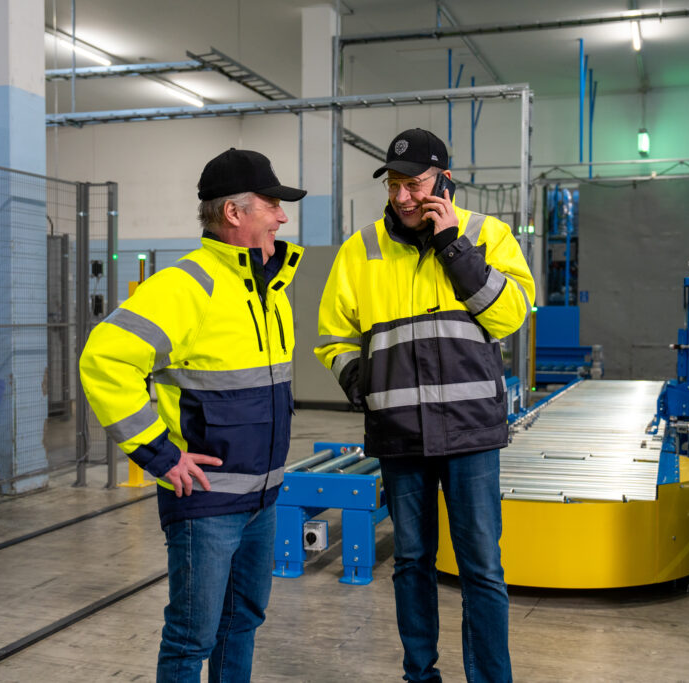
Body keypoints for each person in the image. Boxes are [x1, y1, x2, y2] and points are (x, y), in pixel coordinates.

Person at [315, 128, 534, 683]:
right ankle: (420, 675)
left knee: (481, 566)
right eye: (394, 184)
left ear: (444, 182)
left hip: (470, 433)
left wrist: (454, 248)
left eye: (414, 184)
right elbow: (333, 338)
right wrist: (365, 385)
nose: (403, 196)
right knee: (411, 562)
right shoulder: (360, 249)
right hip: (399, 434)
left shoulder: (487, 234)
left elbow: (511, 316)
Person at [79, 148, 305, 683]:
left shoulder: (270, 289)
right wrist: (160, 455)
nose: (282, 216)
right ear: (234, 212)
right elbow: (104, 360)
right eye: (272, 204)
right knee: (191, 639)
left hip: (263, 498)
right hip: (205, 501)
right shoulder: (186, 286)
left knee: (242, 622)